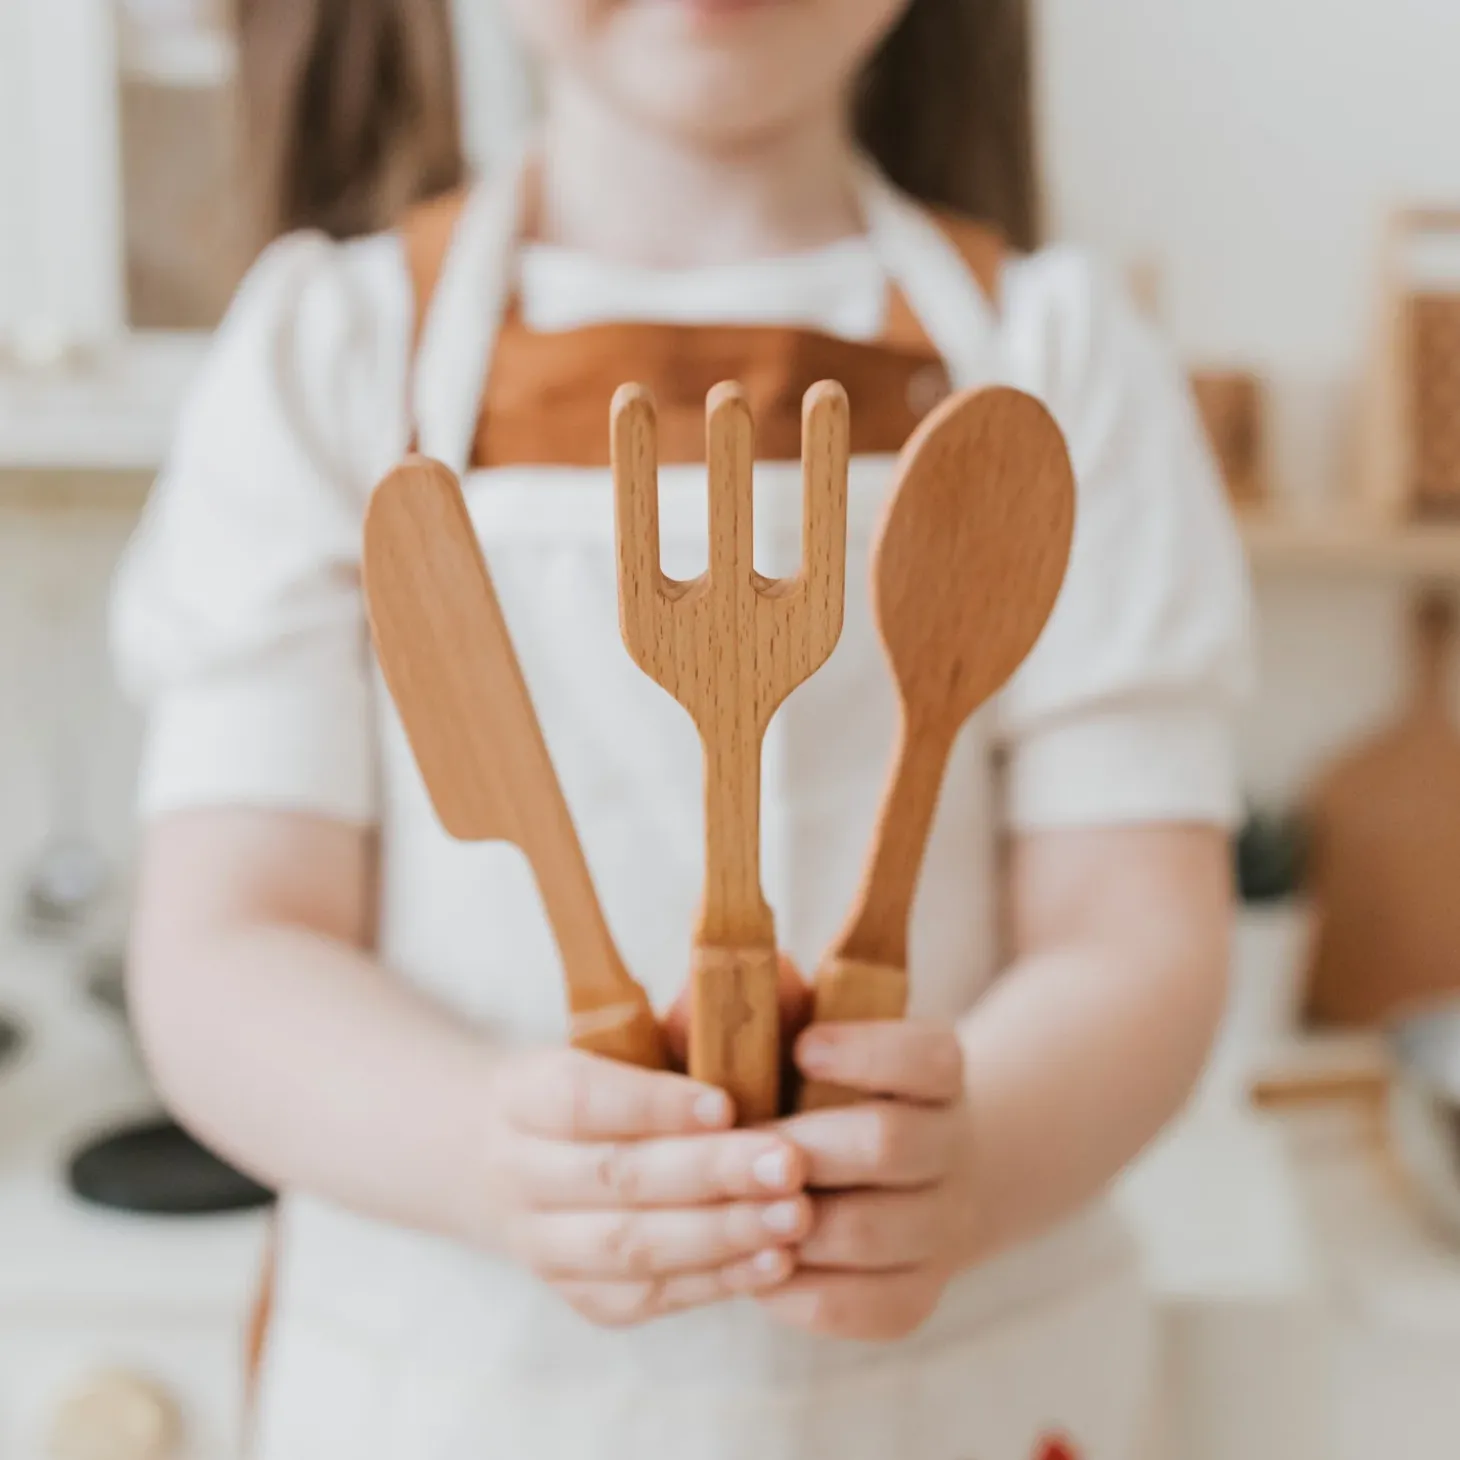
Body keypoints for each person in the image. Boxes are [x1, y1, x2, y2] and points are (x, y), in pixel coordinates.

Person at [112, 1, 1251, 1456]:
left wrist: (978, 1162)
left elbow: (1137, 932)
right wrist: (481, 1152)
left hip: (966, 1398)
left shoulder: (1058, 354)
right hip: (454, 1397)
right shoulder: (328, 358)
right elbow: (224, 949)